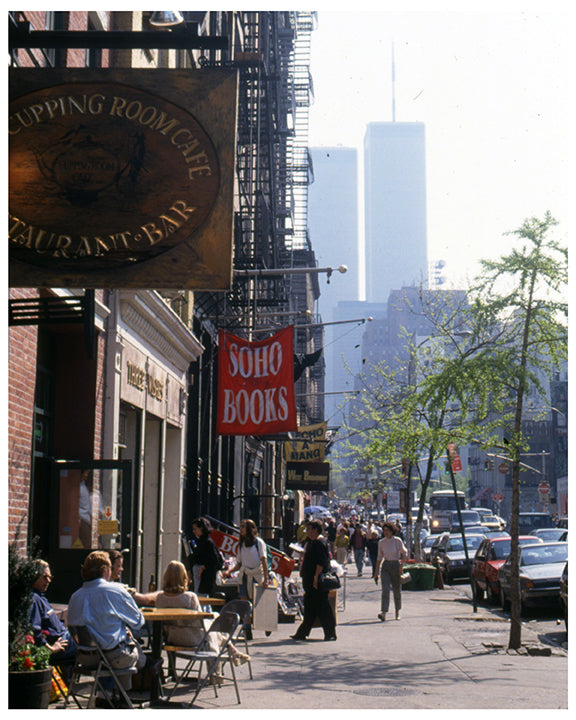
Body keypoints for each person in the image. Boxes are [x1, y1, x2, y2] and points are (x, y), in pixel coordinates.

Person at [67, 550, 160, 706]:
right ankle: (128, 692)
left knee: (114, 642)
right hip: (114, 658)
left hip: (86, 659)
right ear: (106, 570)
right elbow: (138, 621)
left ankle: (109, 696)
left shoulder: (75, 596)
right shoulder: (115, 590)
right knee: (125, 645)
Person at [144, 560, 249, 668]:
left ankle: (231, 649)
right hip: (194, 638)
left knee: (214, 620)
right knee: (215, 621)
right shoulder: (190, 597)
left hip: (172, 638)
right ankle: (230, 651)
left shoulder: (160, 598)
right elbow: (200, 621)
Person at [221, 519, 269, 640]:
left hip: (257, 575)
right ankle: (247, 630)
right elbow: (239, 563)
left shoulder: (259, 543)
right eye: (240, 526)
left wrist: (266, 578)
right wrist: (229, 572)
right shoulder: (241, 545)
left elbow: (264, 561)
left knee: (259, 603)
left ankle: (267, 624)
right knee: (244, 603)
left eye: (243, 526)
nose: (241, 529)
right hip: (245, 575)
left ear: (249, 529)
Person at [290, 520, 337, 642]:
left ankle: (330, 633)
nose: (307, 532)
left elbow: (320, 563)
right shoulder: (312, 542)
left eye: (309, 529)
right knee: (310, 607)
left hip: (317, 582)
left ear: (315, 530)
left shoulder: (319, 543)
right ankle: (302, 632)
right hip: (310, 581)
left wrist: (316, 578)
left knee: (323, 607)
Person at [30, 560, 77, 666]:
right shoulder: (33, 599)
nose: (48, 581)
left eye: (50, 577)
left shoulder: (41, 597)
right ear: (34, 576)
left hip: (65, 637)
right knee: (100, 644)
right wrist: (50, 649)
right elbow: (34, 631)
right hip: (61, 643)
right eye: (44, 577)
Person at [373, 521, 408, 622]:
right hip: (386, 566)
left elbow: (404, 553)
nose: (386, 533)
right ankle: (384, 612)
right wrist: (376, 573)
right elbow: (379, 558)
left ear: (392, 531)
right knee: (385, 589)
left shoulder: (397, 541)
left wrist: (401, 566)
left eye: (388, 531)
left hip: (395, 565)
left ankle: (397, 611)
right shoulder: (381, 542)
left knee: (397, 590)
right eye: (384, 531)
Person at [189, 517, 222, 598]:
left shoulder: (207, 543)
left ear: (202, 528)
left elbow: (215, 560)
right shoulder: (202, 541)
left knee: (201, 597)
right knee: (202, 597)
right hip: (200, 575)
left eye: (195, 529)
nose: (193, 531)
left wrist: (204, 567)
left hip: (204, 576)